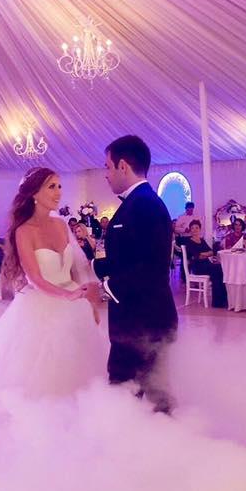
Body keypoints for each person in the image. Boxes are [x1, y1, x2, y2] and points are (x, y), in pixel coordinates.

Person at [0, 167, 104, 398]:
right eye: (51, 187)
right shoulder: (24, 231)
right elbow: (35, 278)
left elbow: (77, 268)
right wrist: (67, 295)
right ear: (34, 193)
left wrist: (89, 302)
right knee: (44, 371)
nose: (58, 192)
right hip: (42, 304)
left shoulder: (62, 225)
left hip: (74, 301)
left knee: (78, 366)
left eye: (59, 186)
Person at [93, 135, 178, 414]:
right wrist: (90, 267)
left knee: (134, 392)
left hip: (144, 320)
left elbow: (150, 270)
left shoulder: (145, 205)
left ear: (123, 166)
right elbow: (126, 260)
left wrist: (103, 290)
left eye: (107, 167)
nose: (106, 174)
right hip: (137, 319)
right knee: (144, 394)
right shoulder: (136, 203)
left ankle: (148, 438)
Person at [183, 220, 228, 309]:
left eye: (196, 228)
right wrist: (204, 254)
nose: (194, 230)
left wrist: (204, 254)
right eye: (192, 228)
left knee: (220, 269)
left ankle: (223, 300)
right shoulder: (189, 242)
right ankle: (217, 302)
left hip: (207, 264)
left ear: (200, 229)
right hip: (198, 267)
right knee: (216, 271)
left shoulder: (202, 240)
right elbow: (197, 256)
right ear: (190, 230)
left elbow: (211, 252)